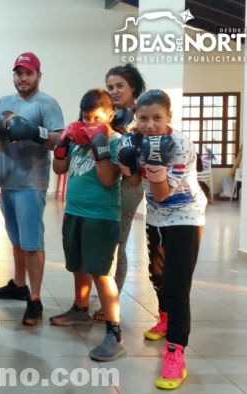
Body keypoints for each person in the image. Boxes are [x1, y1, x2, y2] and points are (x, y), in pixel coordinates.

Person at [119, 89, 206, 389]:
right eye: (143, 118)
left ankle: (176, 353)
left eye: (157, 118)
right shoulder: (136, 138)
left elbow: (162, 192)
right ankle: (164, 317)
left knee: (176, 285)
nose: (149, 124)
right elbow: (133, 183)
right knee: (156, 275)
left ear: (169, 117)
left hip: (185, 216)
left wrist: (153, 165)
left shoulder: (180, 144)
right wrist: (126, 162)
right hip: (156, 215)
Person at [50, 89, 125, 361]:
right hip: (74, 211)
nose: (90, 122)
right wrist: (63, 142)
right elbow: (59, 169)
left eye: (96, 117)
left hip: (101, 216)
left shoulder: (116, 142)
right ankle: (80, 310)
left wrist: (100, 144)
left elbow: (108, 180)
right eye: (85, 117)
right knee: (78, 264)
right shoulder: (78, 139)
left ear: (110, 115)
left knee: (101, 273)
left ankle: (114, 332)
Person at [0, 52, 64, 326]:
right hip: (7, 180)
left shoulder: (47, 104)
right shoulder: (3, 102)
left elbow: (60, 139)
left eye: (28, 73)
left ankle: (35, 299)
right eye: (19, 73)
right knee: (17, 240)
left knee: (32, 243)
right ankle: (19, 285)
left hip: (31, 183)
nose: (23, 78)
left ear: (38, 76)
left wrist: (35, 132)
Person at [91, 63, 147, 322]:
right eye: (110, 86)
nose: (114, 91)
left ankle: (111, 301)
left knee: (118, 240)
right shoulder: (109, 114)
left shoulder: (144, 115)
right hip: (107, 180)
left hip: (130, 183)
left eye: (119, 86)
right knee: (103, 238)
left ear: (133, 87)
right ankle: (105, 291)